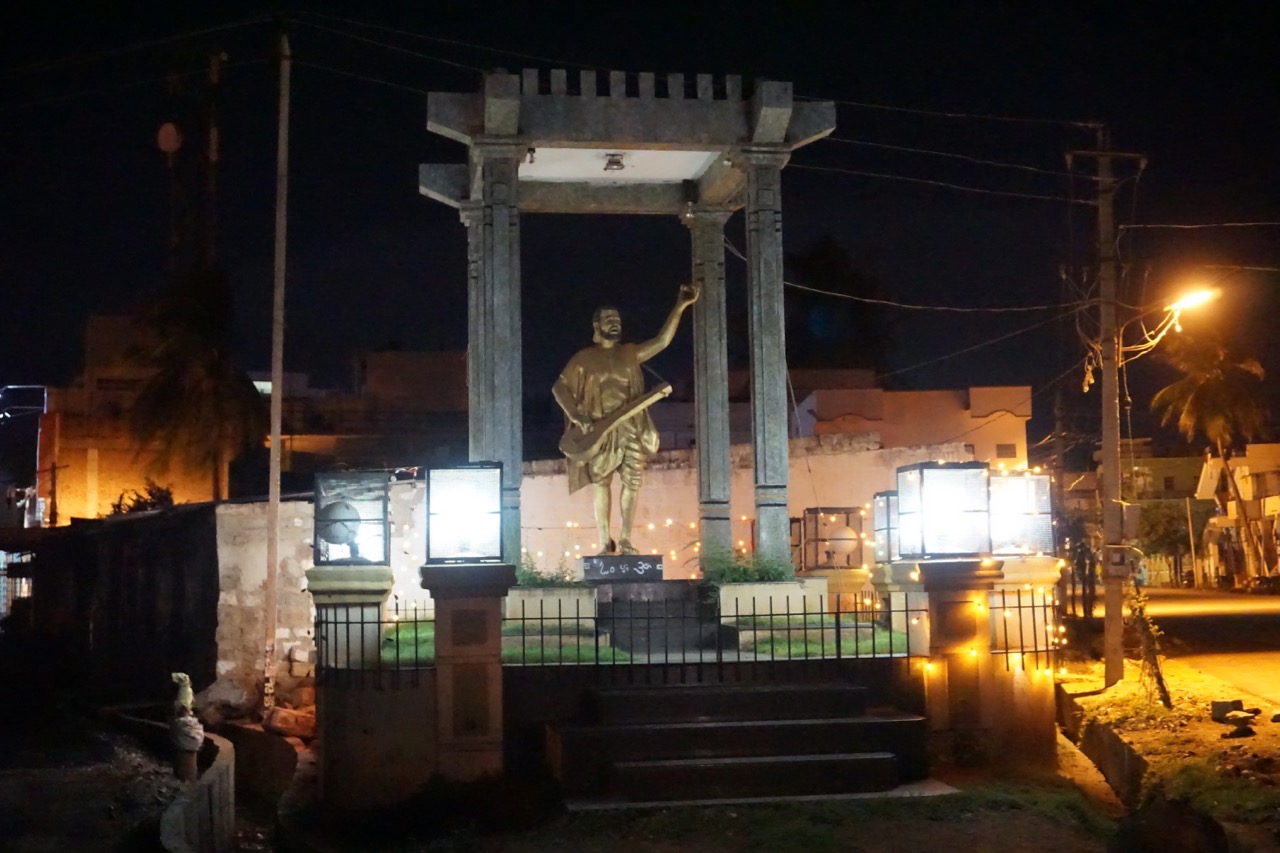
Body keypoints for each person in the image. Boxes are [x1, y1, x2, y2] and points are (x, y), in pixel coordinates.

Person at [553, 284, 699, 555]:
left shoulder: (629, 353)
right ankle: (603, 542)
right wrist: (576, 415)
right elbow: (559, 388)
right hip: (599, 429)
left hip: (630, 428)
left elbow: (662, 341)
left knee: (632, 482)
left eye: (617, 319)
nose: (615, 323)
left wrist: (680, 306)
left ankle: (626, 540)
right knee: (601, 482)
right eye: (609, 319)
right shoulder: (584, 358)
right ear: (596, 326)